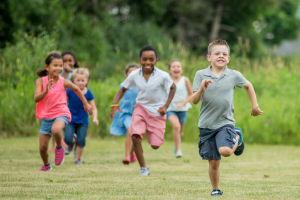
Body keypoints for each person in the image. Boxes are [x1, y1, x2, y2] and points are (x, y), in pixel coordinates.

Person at [191, 39, 263, 196]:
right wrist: (201, 89)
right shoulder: (200, 75)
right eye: (217, 53)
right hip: (206, 125)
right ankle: (216, 189)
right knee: (213, 162)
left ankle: (237, 135)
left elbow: (248, 86)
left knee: (225, 151)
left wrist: (254, 106)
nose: (221, 56)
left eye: (224, 54)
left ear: (228, 59)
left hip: (225, 123)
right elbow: (194, 101)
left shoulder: (233, 75)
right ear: (209, 57)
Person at [110, 45, 176, 176]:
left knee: (155, 145)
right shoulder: (134, 75)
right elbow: (122, 89)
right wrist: (114, 105)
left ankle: (149, 132)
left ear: (156, 60)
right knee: (134, 136)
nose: (148, 62)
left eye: (151, 59)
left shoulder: (163, 75)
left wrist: (166, 106)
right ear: (140, 60)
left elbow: (173, 88)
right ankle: (143, 168)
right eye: (144, 59)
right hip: (140, 109)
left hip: (157, 111)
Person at [35, 53, 92, 171]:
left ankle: (59, 147)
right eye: (55, 65)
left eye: (61, 66)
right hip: (47, 117)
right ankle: (46, 165)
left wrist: (86, 103)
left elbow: (76, 89)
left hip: (62, 113)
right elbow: (36, 98)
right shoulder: (40, 82)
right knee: (42, 148)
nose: (58, 68)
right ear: (47, 67)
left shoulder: (63, 82)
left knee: (56, 129)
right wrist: (46, 91)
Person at [64, 68, 98, 165]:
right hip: (70, 119)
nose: (80, 83)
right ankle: (70, 144)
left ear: (87, 81)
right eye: (78, 80)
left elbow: (94, 108)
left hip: (83, 121)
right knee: (67, 139)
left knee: (81, 140)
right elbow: (63, 101)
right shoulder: (70, 91)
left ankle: (77, 159)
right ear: (73, 80)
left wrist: (95, 118)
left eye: (82, 80)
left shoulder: (89, 93)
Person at [110, 64, 139, 164]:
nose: (133, 75)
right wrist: (114, 107)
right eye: (131, 72)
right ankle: (127, 156)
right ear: (126, 74)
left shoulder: (142, 86)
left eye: (136, 72)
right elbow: (118, 96)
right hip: (126, 113)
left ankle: (131, 153)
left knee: (136, 135)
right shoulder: (123, 85)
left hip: (138, 114)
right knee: (130, 131)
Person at [166, 59, 192, 158]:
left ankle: (176, 144)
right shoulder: (167, 80)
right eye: (173, 67)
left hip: (183, 109)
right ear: (169, 70)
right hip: (170, 109)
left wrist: (182, 103)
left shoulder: (185, 80)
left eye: (178, 67)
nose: (176, 68)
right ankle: (178, 150)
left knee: (180, 132)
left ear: (181, 70)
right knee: (176, 126)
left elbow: (191, 95)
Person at [60, 51, 79, 155]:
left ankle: (75, 148)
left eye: (70, 60)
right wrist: (64, 71)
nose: (67, 62)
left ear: (74, 62)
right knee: (62, 124)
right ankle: (70, 141)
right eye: (64, 61)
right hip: (61, 103)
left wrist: (70, 71)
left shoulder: (76, 72)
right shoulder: (59, 73)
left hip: (73, 104)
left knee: (75, 127)